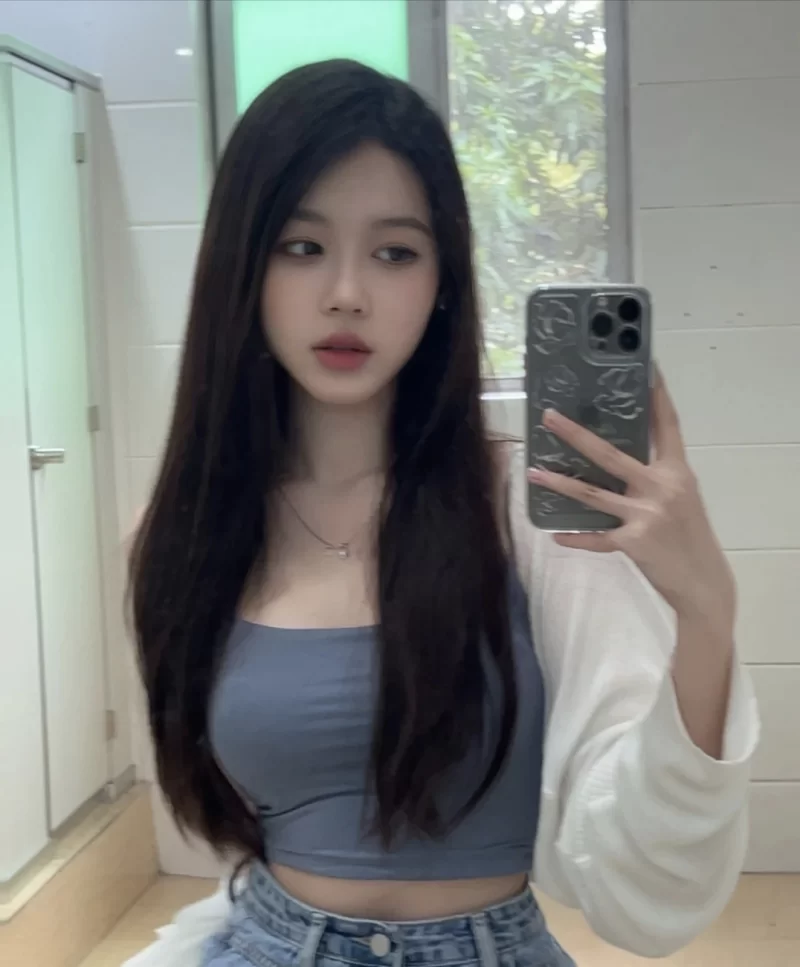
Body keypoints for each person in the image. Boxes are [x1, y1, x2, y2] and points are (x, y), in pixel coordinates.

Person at [126, 60, 759, 967]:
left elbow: (653, 885)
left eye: (396, 252)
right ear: (241, 266)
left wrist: (706, 611)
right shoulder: (183, 536)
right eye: (301, 246)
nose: (347, 292)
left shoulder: (527, 515)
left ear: (442, 282)